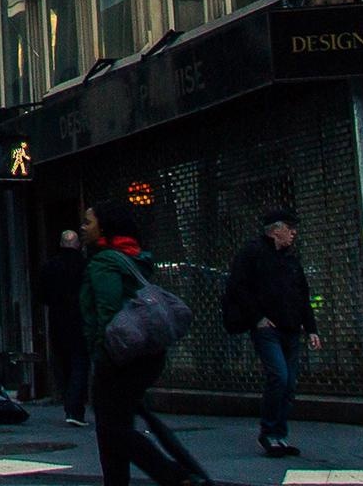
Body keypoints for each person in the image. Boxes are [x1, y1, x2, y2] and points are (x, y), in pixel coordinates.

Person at [81, 221, 198, 486]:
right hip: (148, 352)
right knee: (118, 424)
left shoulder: (103, 262)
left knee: (111, 430)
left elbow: (106, 310)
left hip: (118, 354)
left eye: (89, 221)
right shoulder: (135, 258)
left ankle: (174, 476)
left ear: (104, 227)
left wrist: (101, 348)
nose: (83, 226)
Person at [218, 207, 318, 458]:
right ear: (275, 230)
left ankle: (279, 435)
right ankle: (270, 432)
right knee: (280, 377)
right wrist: (257, 318)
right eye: (289, 228)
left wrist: (311, 328)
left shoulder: (290, 258)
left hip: (290, 328)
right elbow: (237, 288)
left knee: (289, 383)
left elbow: (302, 294)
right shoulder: (253, 253)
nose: (293, 233)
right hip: (268, 329)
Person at [43, 219, 95, 423]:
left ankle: (69, 403)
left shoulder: (50, 266)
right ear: (77, 244)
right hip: (80, 319)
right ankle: (75, 407)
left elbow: (42, 294)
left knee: (64, 362)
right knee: (80, 362)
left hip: (58, 319)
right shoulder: (85, 266)